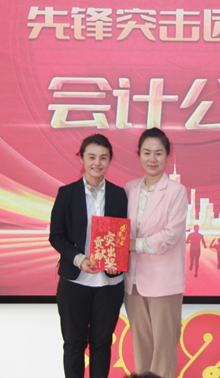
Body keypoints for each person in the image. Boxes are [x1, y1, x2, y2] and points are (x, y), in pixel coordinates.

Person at [49, 134, 127, 378]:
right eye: (91, 157)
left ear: (110, 160)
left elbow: (122, 236)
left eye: (103, 157)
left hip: (109, 284)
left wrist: (116, 264)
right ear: (81, 158)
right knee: (74, 345)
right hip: (75, 282)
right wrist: (79, 259)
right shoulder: (66, 193)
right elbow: (56, 236)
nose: (97, 163)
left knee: (102, 345)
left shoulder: (119, 195)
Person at [124, 128, 189, 378]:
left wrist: (134, 244)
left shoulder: (176, 191)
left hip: (164, 282)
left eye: (158, 153)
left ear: (167, 156)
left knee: (163, 349)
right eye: (147, 152)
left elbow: (171, 235)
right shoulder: (129, 189)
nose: (152, 159)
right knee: (141, 348)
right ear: (139, 154)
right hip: (133, 281)